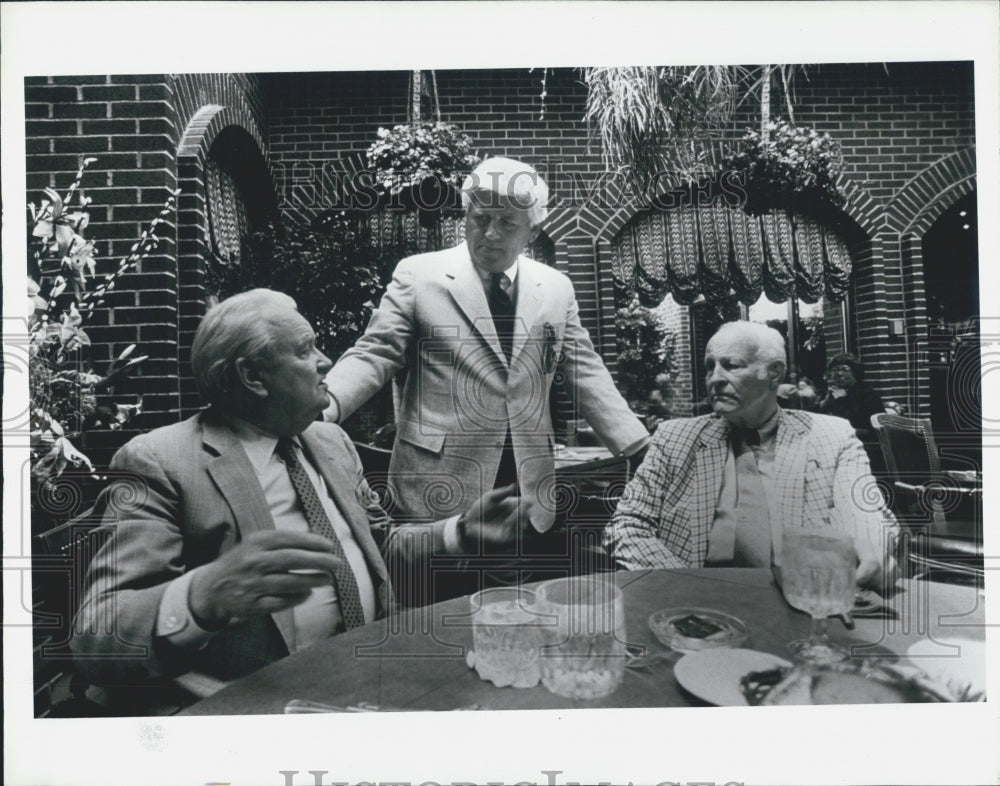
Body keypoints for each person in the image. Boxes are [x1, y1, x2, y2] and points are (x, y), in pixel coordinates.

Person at [70, 289, 533, 696]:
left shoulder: (329, 441)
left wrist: (458, 534)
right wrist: (199, 597)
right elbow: (98, 637)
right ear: (253, 376)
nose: (326, 361)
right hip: (245, 716)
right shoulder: (161, 461)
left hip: (368, 682)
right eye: (306, 348)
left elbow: (380, 546)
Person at [322, 157, 649, 584]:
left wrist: (638, 444)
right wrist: (322, 405)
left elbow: (584, 370)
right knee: (438, 615)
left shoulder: (555, 288)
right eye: (481, 219)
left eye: (507, 224)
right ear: (466, 214)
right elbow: (375, 353)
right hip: (437, 486)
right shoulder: (420, 276)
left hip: (528, 492)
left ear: (532, 229)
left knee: (523, 617)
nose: (491, 234)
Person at [604, 321, 898, 589]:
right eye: (710, 366)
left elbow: (864, 512)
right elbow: (628, 523)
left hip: (798, 608)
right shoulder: (675, 438)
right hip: (692, 609)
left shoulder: (830, 436)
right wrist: (688, 585)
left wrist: (869, 548)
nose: (715, 378)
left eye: (731, 365)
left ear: (774, 373)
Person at [817, 352, 885, 438]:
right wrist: (826, 401)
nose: (839, 373)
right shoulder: (832, 393)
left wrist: (839, 399)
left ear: (855, 372)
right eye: (835, 369)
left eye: (845, 369)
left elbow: (851, 423)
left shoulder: (866, 393)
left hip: (866, 443)